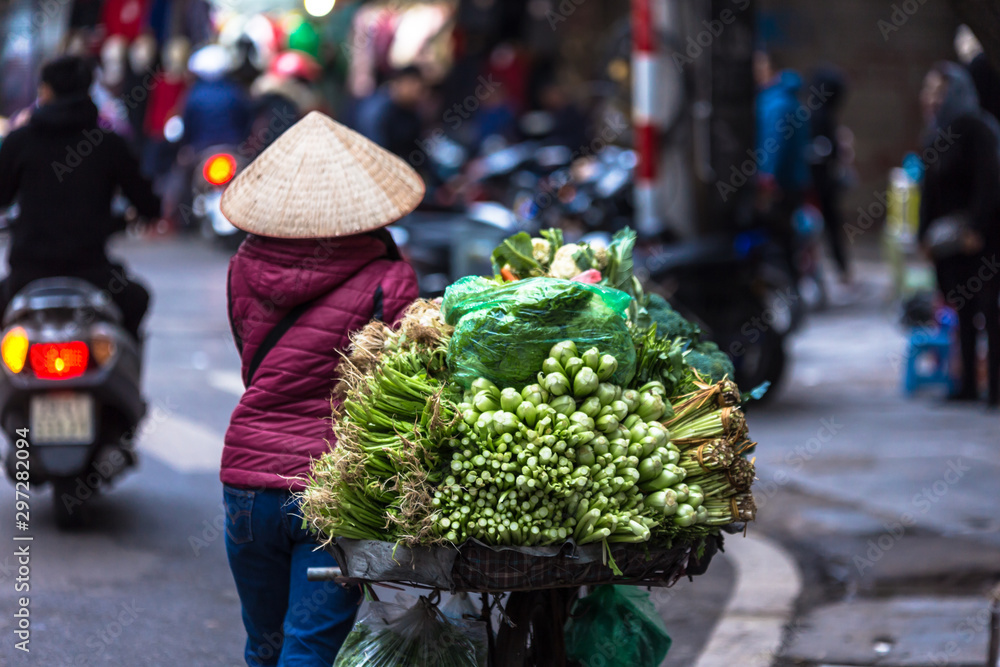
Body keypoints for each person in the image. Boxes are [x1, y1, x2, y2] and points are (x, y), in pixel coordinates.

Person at [218, 111, 423, 665]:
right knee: (307, 650)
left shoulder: (243, 265)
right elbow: (402, 384)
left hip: (244, 487)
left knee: (263, 648)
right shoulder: (389, 275)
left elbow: (251, 360)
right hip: (331, 489)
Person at [0, 55, 160, 338]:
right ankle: (124, 380)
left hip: (27, 275)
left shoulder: (19, 141)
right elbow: (148, 204)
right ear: (88, 90)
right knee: (137, 301)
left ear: (46, 91)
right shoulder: (109, 144)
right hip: (93, 274)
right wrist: (124, 219)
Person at [917, 62, 1000, 407]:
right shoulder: (936, 134)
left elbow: (989, 182)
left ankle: (994, 388)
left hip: (980, 237)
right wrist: (924, 236)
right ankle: (966, 384)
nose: (933, 99)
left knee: (988, 311)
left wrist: (976, 229)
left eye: (940, 91)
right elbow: (930, 189)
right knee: (960, 309)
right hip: (948, 240)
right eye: (930, 91)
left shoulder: (977, 128)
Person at [754, 50, 811, 281]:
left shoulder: (776, 104)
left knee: (779, 243)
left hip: (780, 185)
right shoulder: (786, 99)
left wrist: (767, 181)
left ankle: (786, 293)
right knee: (787, 241)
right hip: (791, 182)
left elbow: (772, 146)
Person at [808, 65, 851, 283]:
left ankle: (841, 272)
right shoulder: (818, 115)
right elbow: (821, 151)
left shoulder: (819, 112)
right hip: (817, 185)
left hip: (821, 183)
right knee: (822, 229)